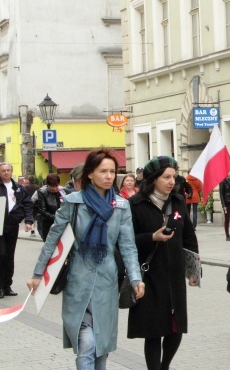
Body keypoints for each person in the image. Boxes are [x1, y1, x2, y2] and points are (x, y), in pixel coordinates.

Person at [26, 148, 145, 369]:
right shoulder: (74, 202)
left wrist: (136, 278)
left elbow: (128, 247)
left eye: (112, 171)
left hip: (108, 282)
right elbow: (53, 239)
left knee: (102, 347)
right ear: (90, 173)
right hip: (78, 281)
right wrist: (37, 273)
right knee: (87, 344)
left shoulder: (120, 205)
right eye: (103, 171)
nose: (109, 176)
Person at [127, 156, 199, 370]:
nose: (171, 181)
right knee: (153, 330)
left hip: (175, 273)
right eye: (166, 177)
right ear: (153, 179)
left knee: (176, 329)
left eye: (173, 177)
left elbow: (188, 237)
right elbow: (127, 241)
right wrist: (151, 237)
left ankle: (164, 366)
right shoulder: (136, 204)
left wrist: (193, 269)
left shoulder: (178, 201)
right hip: (149, 274)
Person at [0, 162, 34, 298]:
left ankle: (7, 286)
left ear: (12, 171)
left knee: (9, 256)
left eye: (8, 170)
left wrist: (28, 220)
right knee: (1, 255)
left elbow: (28, 204)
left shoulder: (18, 187)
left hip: (12, 225)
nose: (6, 172)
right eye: (3, 171)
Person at [36, 173, 70, 242]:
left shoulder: (64, 191)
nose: (54, 188)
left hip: (64, 224)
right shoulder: (42, 192)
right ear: (47, 185)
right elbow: (42, 211)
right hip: (49, 224)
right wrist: (56, 217)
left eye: (56, 186)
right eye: (52, 186)